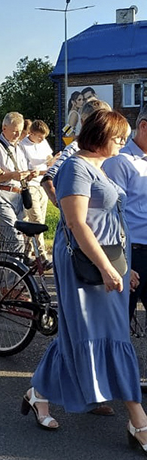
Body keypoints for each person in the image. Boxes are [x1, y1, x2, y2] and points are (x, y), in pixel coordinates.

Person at [24, 110, 147, 452]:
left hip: (107, 259)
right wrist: (108, 267)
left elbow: (109, 219)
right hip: (86, 264)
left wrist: (122, 265)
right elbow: (78, 225)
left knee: (82, 334)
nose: (123, 143)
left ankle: (39, 392)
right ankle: (139, 421)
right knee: (103, 335)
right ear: (100, 135)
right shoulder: (75, 167)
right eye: (118, 137)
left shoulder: (98, 168)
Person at [105, 109, 147, 327]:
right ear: (143, 127)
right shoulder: (120, 161)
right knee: (120, 322)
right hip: (134, 253)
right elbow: (110, 214)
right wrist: (122, 263)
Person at [0, 112, 34, 254]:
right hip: (1, 195)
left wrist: (28, 175)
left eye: (20, 131)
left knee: (8, 242)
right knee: (16, 240)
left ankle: (0, 274)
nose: (18, 135)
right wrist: (10, 175)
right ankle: (14, 275)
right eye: (14, 131)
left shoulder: (19, 148)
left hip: (18, 197)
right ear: (4, 128)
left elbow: (21, 172)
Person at [42, 99, 112, 206]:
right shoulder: (75, 148)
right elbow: (48, 178)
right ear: (83, 122)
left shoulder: (114, 148)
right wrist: (62, 205)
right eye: (94, 123)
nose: (100, 127)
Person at [18, 120, 54, 258]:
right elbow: (24, 166)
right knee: (37, 219)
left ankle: (27, 252)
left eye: (44, 137)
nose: (42, 139)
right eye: (39, 136)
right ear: (31, 133)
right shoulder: (23, 145)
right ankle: (42, 254)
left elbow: (49, 157)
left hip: (42, 183)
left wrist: (52, 161)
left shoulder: (43, 143)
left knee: (35, 220)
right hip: (30, 184)